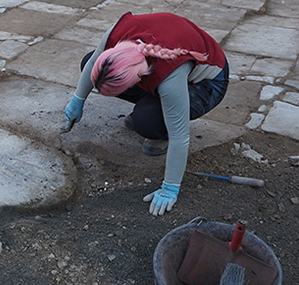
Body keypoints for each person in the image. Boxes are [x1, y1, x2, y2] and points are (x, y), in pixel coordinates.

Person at [64, 12, 229, 216]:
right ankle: (154, 105)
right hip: (163, 61)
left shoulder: (169, 75)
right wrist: (78, 100)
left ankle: (159, 129)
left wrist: (170, 187)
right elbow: (93, 63)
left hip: (208, 83)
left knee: (146, 121)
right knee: (88, 64)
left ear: (139, 77)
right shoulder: (118, 32)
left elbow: (180, 137)